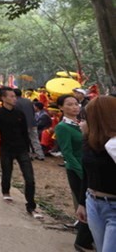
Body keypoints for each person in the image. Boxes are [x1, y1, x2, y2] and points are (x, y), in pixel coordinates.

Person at [0, 87, 42, 219]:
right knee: (7, 172)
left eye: (14, 96)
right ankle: (6, 190)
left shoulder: (19, 114)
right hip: (6, 148)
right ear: (3, 98)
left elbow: (24, 133)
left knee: (30, 179)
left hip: (21, 149)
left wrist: (29, 149)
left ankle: (31, 206)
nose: (14, 99)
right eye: (11, 96)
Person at [76, 96, 116, 252]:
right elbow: (87, 174)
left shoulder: (113, 145)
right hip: (93, 203)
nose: (83, 121)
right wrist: (82, 203)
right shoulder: (89, 141)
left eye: (87, 117)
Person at [55, 94, 94, 250]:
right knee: (86, 203)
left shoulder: (82, 124)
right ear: (61, 107)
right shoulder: (62, 127)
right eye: (69, 104)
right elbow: (68, 153)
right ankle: (83, 240)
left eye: (76, 103)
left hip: (88, 168)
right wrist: (82, 173)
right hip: (77, 170)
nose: (75, 107)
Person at [15, 88, 45, 161]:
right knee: (35, 139)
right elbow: (33, 111)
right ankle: (40, 155)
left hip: (23, 124)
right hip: (33, 122)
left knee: (25, 139)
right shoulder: (28, 101)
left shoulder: (15, 102)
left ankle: (29, 155)